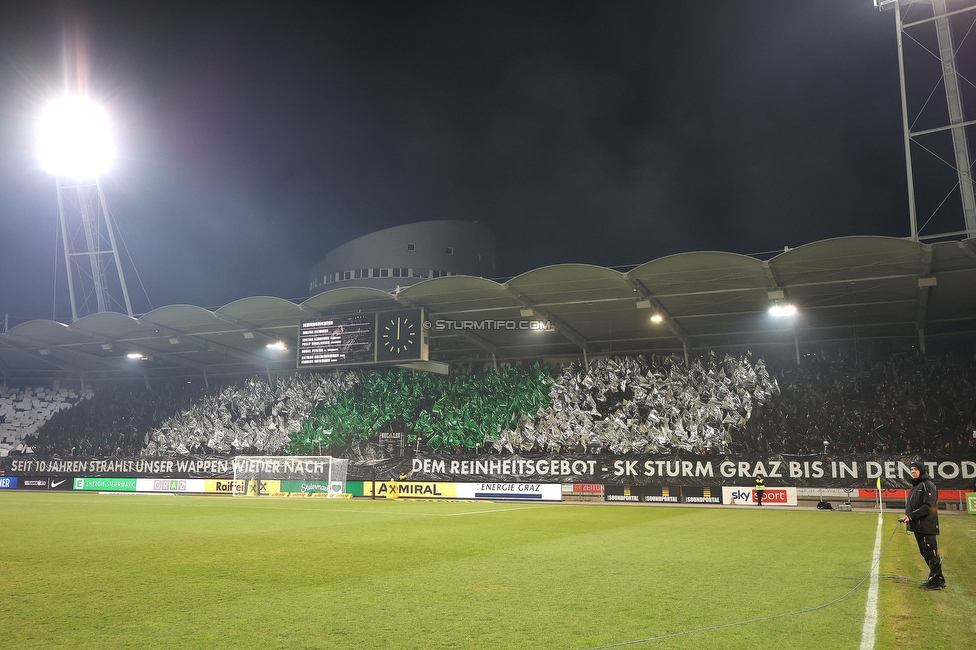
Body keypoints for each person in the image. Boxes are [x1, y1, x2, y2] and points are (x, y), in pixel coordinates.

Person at [899, 461, 945, 591]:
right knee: (926, 553)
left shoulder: (928, 485)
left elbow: (928, 507)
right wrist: (907, 517)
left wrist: (912, 516)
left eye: (915, 469)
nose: (913, 471)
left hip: (926, 526)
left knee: (930, 553)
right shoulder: (917, 486)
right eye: (911, 469)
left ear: (921, 470)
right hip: (919, 526)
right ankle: (936, 578)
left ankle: (937, 580)